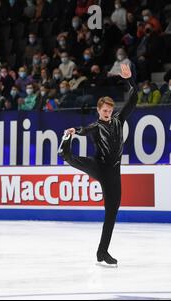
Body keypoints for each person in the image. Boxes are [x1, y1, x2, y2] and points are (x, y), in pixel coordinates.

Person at [58, 64, 137, 267]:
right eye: (104, 110)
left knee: (112, 210)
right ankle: (64, 152)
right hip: (99, 166)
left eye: (110, 110)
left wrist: (130, 79)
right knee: (76, 159)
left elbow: (133, 99)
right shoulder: (95, 126)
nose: (107, 113)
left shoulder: (119, 120)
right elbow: (84, 130)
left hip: (114, 171)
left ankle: (102, 252)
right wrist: (73, 131)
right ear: (98, 111)